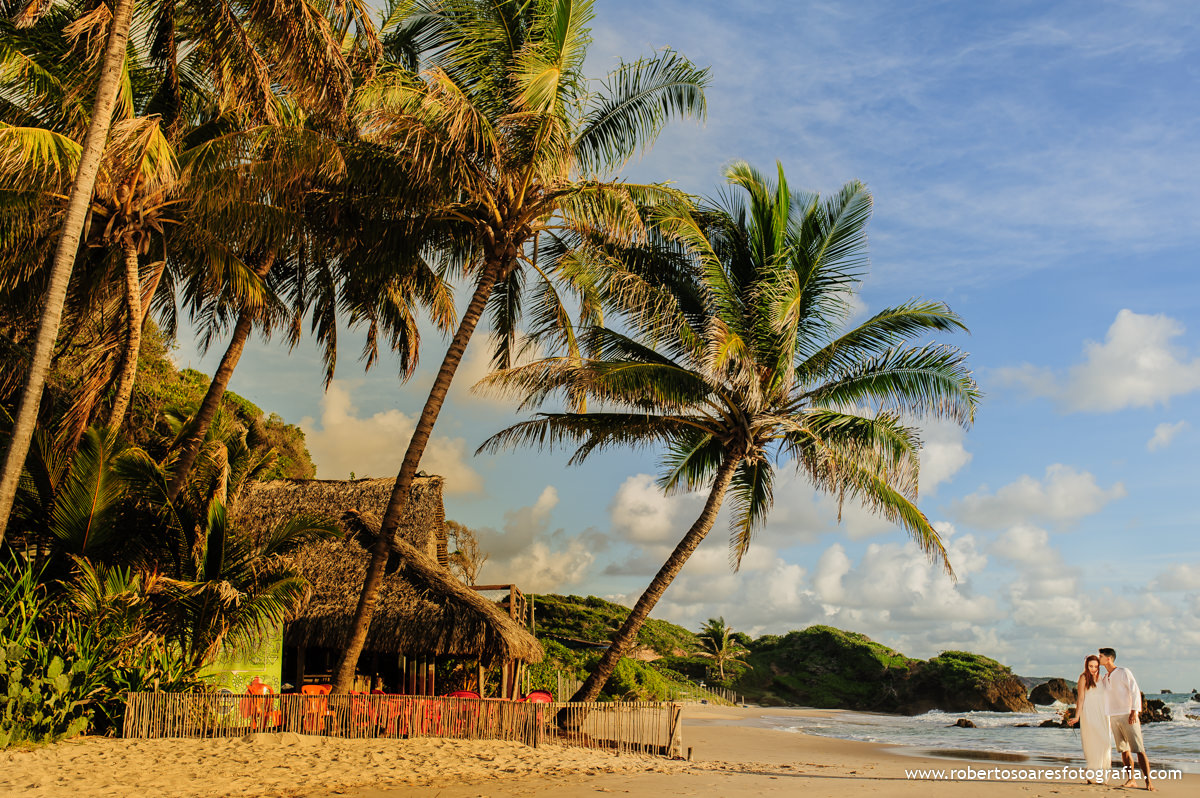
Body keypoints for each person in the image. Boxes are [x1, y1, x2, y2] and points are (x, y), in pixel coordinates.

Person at [1098, 647, 1155, 791]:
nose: (1099, 659)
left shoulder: (1124, 672)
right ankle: (1131, 780)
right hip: (1113, 716)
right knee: (1124, 750)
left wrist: (1134, 711)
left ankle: (1149, 782)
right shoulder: (1105, 677)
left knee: (1139, 749)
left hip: (1128, 714)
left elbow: (1134, 690)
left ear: (1108, 658)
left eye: (1100, 656)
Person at [1066, 655, 1111, 783]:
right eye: (1090, 666)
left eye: (1096, 666)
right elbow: (1080, 699)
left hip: (1103, 715)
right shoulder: (1083, 678)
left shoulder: (1101, 678)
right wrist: (1077, 716)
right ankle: (1092, 775)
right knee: (1093, 743)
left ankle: (1102, 775)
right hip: (1089, 714)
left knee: (1105, 743)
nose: (1093, 669)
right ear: (1086, 666)